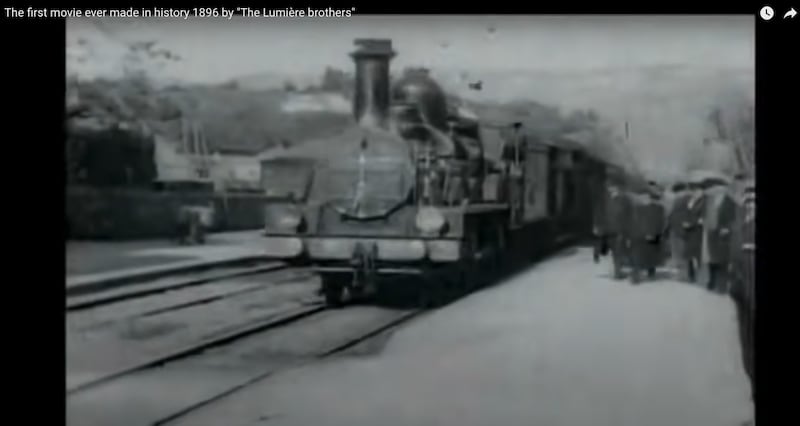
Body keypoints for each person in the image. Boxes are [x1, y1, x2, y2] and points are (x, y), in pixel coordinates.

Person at [731, 183, 755, 385]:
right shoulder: (739, 225)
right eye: (748, 201)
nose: (751, 206)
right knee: (746, 346)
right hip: (743, 295)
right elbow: (735, 257)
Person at [701, 178, 738, 293]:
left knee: (722, 260)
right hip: (710, 232)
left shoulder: (730, 202)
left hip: (722, 234)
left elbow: (734, 219)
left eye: (713, 189)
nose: (710, 192)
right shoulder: (708, 201)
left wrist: (727, 228)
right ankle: (712, 281)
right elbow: (701, 212)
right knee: (711, 259)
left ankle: (722, 285)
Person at [630, 183, 666, 284]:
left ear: (649, 197)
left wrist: (654, 234)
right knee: (637, 255)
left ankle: (651, 271)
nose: (642, 199)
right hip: (638, 236)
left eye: (645, 197)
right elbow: (633, 222)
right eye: (641, 197)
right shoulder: (637, 209)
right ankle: (636, 275)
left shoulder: (658, 208)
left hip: (652, 235)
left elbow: (660, 222)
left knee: (650, 255)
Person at [605, 184, 633, 279]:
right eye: (610, 188)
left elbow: (630, 215)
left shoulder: (624, 200)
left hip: (621, 230)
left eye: (613, 188)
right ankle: (618, 270)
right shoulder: (608, 200)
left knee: (618, 251)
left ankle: (617, 272)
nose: (611, 190)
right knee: (615, 251)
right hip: (610, 230)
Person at [682, 178, 706, 283]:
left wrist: (691, 223)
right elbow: (687, 214)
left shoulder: (704, 202)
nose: (695, 192)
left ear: (701, 191)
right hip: (690, 232)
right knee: (690, 255)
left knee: (698, 255)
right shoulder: (691, 201)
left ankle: (698, 276)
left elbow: (702, 219)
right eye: (694, 190)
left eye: (697, 190)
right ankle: (691, 275)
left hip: (698, 231)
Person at [666, 181, 689, 274]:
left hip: (681, 229)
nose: (676, 195)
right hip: (676, 228)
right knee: (677, 250)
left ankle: (683, 271)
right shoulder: (677, 200)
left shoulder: (686, 200)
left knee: (681, 251)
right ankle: (680, 269)